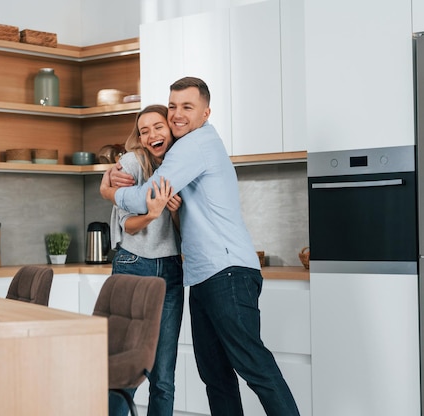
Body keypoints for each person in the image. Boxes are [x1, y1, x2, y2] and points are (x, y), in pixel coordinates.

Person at [100, 77, 300, 416]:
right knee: (216, 375)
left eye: (187, 107)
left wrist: (107, 191)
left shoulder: (195, 145)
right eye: (173, 106)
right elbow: (162, 203)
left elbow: (143, 197)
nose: (178, 114)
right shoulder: (180, 150)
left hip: (227, 272)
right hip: (204, 276)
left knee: (254, 365)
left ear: (206, 113)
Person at [108, 104, 184, 416]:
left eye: (158, 126)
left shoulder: (182, 165)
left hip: (170, 270)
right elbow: (126, 224)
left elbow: (182, 232)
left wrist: (174, 212)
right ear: (139, 138)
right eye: (144, 130)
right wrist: (152, 213)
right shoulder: (131, 163)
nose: (152, 134)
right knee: (124, 369)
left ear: (170, 129)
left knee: (163, 376)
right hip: (133, 264)